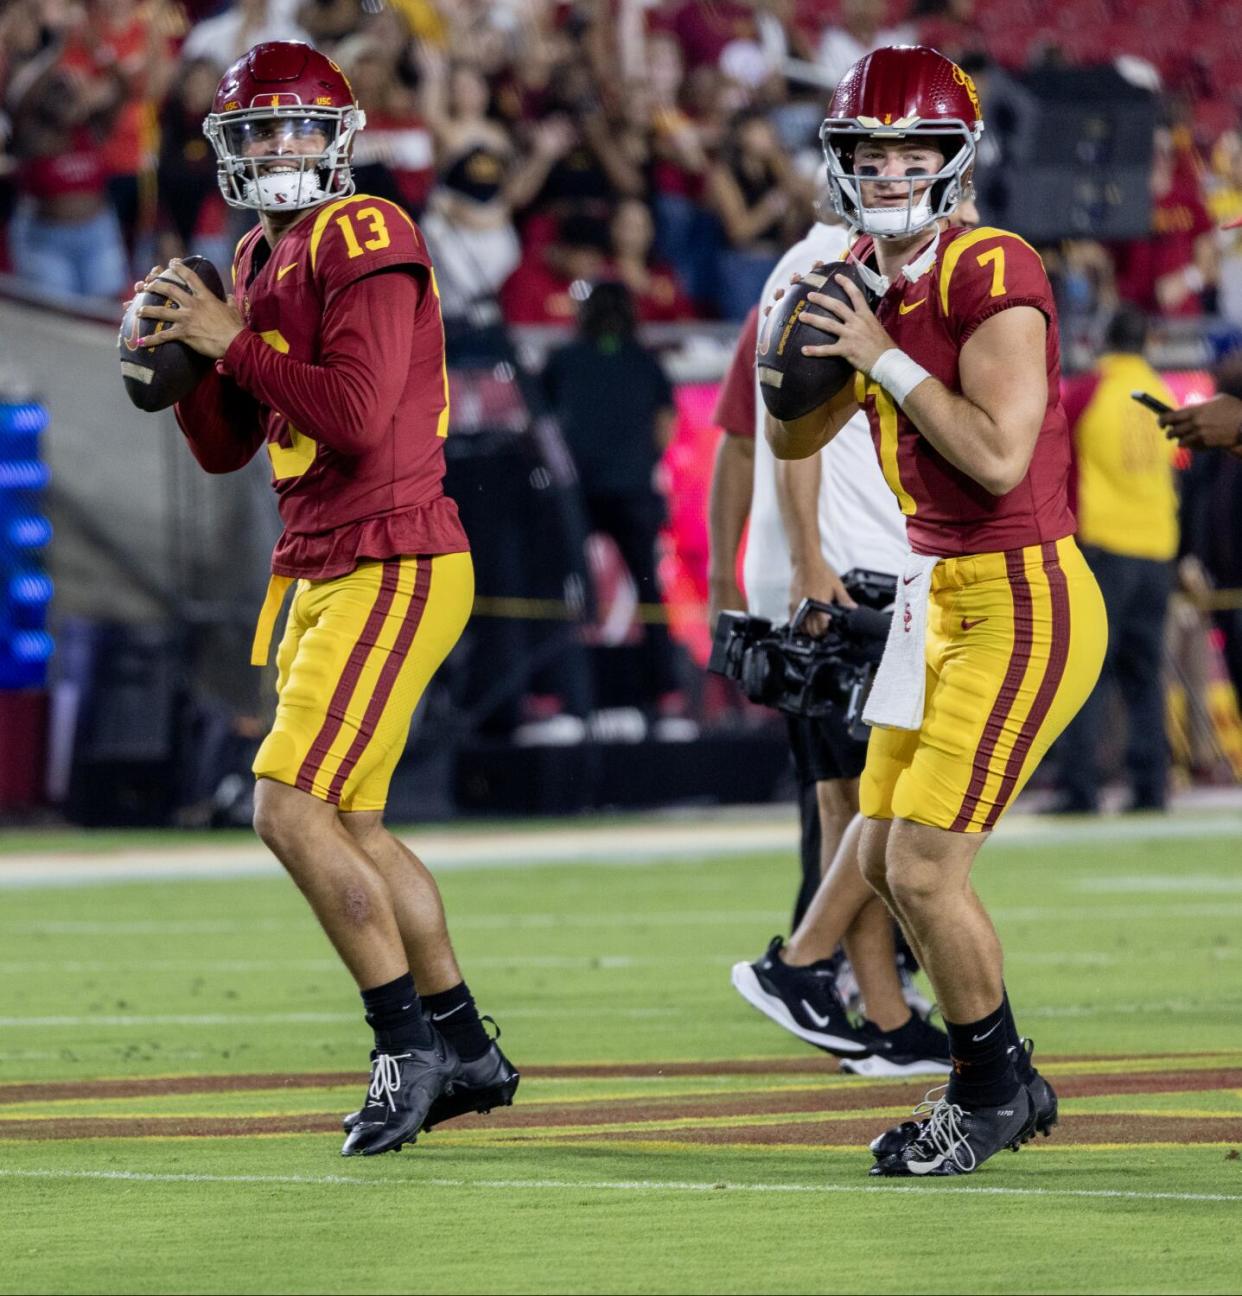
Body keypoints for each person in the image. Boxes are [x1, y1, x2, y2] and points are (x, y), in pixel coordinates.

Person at [131, 40, 517, 1158]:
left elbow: (350, 413)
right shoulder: (257, 251)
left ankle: (406, 1045)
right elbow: (224, 446)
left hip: (391, 551)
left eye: (298, 127)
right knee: (349, 821)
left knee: (285, 807)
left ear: (341, 138)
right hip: (323, 557)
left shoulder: (366, 229)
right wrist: (189, 360)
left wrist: (228, 339)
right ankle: (464, 1045)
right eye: (256, 131)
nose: (278, 147)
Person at [767, 45, 1107, 1176]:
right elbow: (792, 438)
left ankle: (992, 1089)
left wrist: (877, 354)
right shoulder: (863, 270)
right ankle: (997, 1073)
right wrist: (796, 365)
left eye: (912, 147)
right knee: (878, 847)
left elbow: (1002, 459)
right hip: (934, 593)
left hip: (1021, 594)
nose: (891, 166)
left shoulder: (990, 264)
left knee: (920, 869)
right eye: (871, 148)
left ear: (956, 158)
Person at [710, 220, 948, 1079]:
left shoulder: (802, 265)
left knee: (851, 800)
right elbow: (788, 424)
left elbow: (742, 430)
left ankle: (877, 1011)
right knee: (889, 794)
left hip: (829, 569)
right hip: (848, 574)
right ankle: (816, 973)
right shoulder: (831, 268)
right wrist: (811, 561)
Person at [541, 280, 692, 737]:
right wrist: (641, 459)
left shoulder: (562, 361)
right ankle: (664, 702)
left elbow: (544, 427)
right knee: (649, 596)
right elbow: (665, 426)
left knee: (569, 598)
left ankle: (570, 706)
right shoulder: (646, 362)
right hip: (632, 492)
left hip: (577, 496)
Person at [1052, 306, 1179, 814]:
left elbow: (1053, 457)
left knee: (1086, 671)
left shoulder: (1087, 391)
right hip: (1157, 549)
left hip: (1104, 547)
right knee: (1145, 674)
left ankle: (1081, 786)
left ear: (1101, 339)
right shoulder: (1162, 392)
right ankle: (1152, 786)